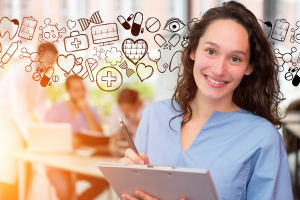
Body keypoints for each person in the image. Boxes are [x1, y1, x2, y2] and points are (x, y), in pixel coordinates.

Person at [119, 1, 293, 200]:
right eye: (211, 51)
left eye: (235, 58)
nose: (219, 69)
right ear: (193, 50)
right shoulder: (154, 116)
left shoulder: (263, 138)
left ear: (249, 67)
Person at [0, 43, 58, 200]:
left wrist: (48, 131)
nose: (51, 65)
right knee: (9, 172)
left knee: (25, 170)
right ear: (38, 56)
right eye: (49, 60)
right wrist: (37, 139)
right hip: (7, 123)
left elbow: (40, 107)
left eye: (53, 62)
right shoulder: (21, 72)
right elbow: (20, 112)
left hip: (20, 124)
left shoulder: (41, 75)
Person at [45, 75, 109, 200]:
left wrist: (86, 111)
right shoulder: (55, 110)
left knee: (103, 181)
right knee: (64, 190)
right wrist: (67, 142)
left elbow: (99, 136)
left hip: (83, 163)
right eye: (76, 90)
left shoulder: (90, 110)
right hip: (58, 164)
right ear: (68, 91)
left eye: (82, 89)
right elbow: (47, 139)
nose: (81, 93)